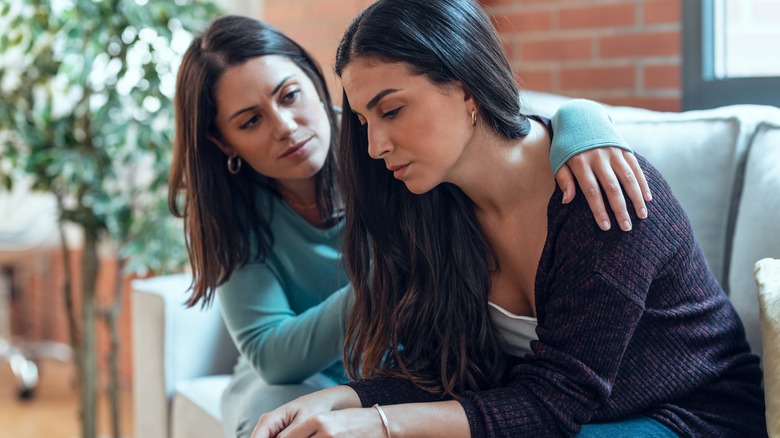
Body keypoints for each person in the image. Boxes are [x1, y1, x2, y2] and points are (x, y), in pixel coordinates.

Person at [249, 0, 767, 437]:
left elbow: (555, 401)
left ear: (466, 88)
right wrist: (343, 399)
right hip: (581, 416)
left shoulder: (599, 193)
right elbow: (446, 377)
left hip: (691, 415)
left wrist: (379, 424)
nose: (375, 145)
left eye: (392, 110)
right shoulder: (436, 207)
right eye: (364, 121)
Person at [168, 14, 653, 438]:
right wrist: (394, 276)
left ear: (314, 82)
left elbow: (496, 121)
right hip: (319, 374)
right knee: (271, 411)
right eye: (250, 121)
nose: (286, 127)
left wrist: (584, 122)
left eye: (290, 95)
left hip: (403, 360)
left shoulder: (396, 150)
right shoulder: (240, 210)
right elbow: (273, 358)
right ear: (224, 142)